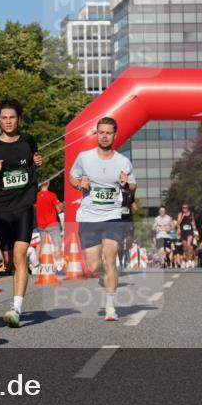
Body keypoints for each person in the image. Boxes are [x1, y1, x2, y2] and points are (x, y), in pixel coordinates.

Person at [68, 117, 136, 321]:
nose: (105, 136)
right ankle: (102, 276)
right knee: (93, 265)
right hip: (88, 216)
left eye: (108, 132)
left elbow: (132, 186)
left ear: (115, 135)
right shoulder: (84, 157)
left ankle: (110, 305)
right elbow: (72, 177)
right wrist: (80, 183)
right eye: (101, 132)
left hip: (112, 216)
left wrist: (125, 184)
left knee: (110, 258)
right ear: (97, 134)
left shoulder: (123, 161)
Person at [0, 99, 43, 328]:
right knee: (8, 262)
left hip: (24, 205)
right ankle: (12, 267)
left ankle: (16, 309)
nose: (8, 121)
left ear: (18, 119)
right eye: (4, 118)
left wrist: (36, 162)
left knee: (20, 257)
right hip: (1, 208)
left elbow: (33, 161)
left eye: (12, 117)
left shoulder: (28, 141)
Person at [36, 179, 63, 270]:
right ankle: (58, 264)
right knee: (57, 244)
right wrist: (60, 205)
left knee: (43, 245)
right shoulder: (52, 195)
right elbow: (59, 209)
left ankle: (41, 265)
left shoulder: (36, 196)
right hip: (52, 223)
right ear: (48, 183)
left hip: (40, 225)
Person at [176, 203, 197, 270]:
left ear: (188, 208)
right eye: (183, 208)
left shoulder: (191, 213)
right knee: (185, 248)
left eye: (186, 207)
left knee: (188, 245)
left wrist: (194, 226)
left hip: (189, 231)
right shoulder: (180, 214)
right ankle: (186, 259)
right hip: (183, 232)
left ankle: (189, 260)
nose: (184, 209)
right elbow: (178, 223)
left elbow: (193, 222)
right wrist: (183, 216)